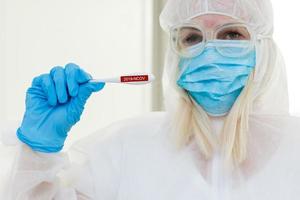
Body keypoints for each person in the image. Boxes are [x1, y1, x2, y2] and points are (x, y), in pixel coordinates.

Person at [4, 0, 300, 199]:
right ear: (175, 53)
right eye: (192, 38)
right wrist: (37, 153)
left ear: (263, 47)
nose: (210, 51)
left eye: (232, 35)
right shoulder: (124, 148)